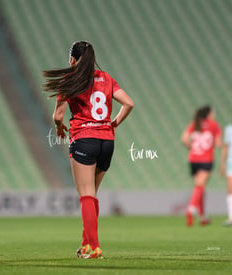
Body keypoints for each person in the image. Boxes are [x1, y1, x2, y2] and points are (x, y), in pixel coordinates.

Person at [43, 41, 134, 259]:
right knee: (92, 195)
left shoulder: (70, 80)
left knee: (86, 196)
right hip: (106, 141)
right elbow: (128, 103)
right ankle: (86, 244)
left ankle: (94, 247)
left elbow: (57, 116)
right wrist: (114, 123)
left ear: (72, 59)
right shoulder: (106, 78)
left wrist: (59, 126)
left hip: (84, 139)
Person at [181, 106, 222, 227]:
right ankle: (191, 209)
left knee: (200, 188)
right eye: (213, 113)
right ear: (208, 114)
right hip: (206, 159)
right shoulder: (214, 125)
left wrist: (191, 147)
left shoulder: (195, 123)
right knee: (200, 186)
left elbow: (184, 139)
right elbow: (219, 144)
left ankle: (202, 217)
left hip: (193, 159)